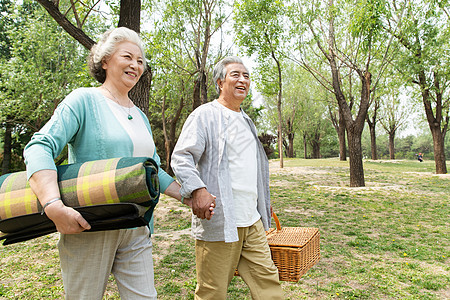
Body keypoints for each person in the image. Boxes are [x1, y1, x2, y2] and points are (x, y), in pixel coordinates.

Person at [23, 27, 199, 299]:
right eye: (127, 56)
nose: (135, 65)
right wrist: (53, 205)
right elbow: (39, 147)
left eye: (140, 61)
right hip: (90, 226)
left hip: (136, 226)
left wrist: (186, 196)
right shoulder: (83, 100)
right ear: (104, 61)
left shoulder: (139, 115)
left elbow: (151, 168)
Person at [171, 56, 283, 300]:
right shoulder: (204, 116)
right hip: (221, 220)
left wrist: (262, 200)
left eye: (246, 76)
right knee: (213, 292)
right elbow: (181, 157)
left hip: (252, 219)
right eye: (236, 75)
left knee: (268, 285)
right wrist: (197, 189)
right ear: (220, 82)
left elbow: (249, 167)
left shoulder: (246, 121)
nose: (243, 79)